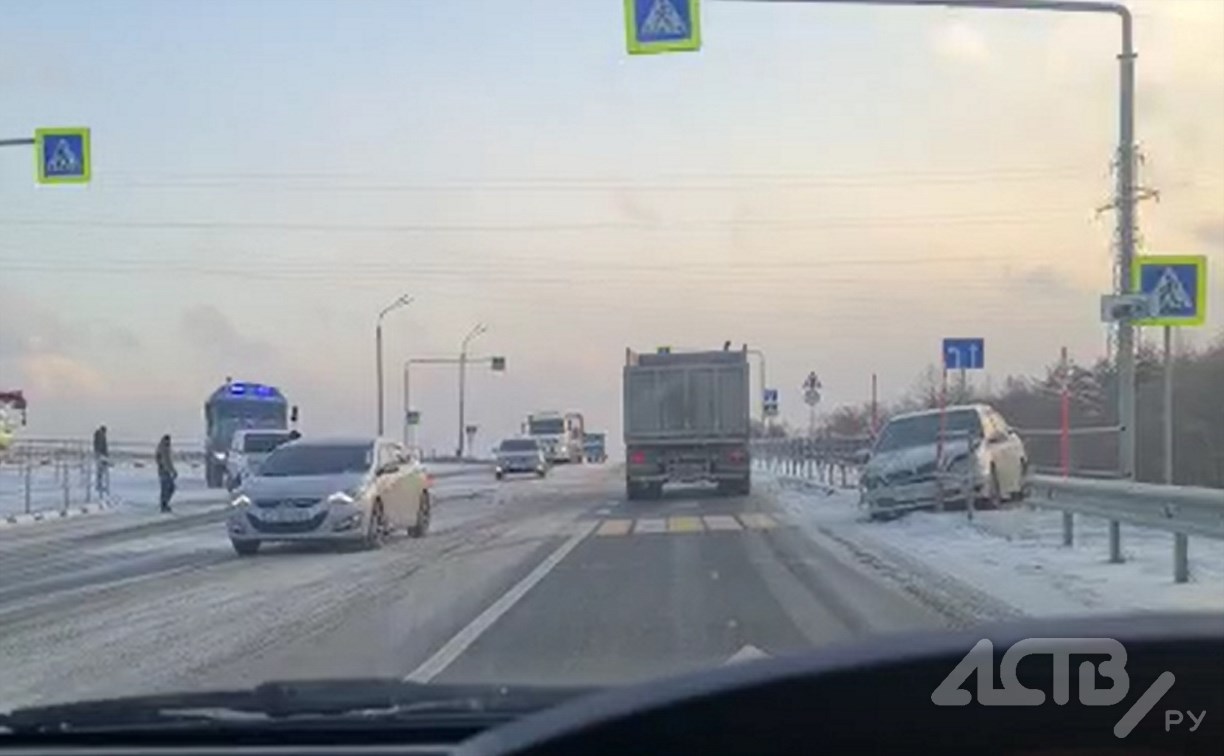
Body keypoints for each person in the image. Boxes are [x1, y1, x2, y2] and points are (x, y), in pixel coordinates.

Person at [155, 434, 177, 513]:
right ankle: (164, 505)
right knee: (168, 488)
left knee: (168, 488)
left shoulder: (162, 448)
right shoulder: (164, 449)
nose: (169, 442)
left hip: (164, 471)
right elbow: (166, 462)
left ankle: (164, 504)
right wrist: (172, 471)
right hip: (164, 472)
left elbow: (165, 461)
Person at [92, 424, 110, 497]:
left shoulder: (98, 436)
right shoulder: (100, 436)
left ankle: (100, 484)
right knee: (100, 471)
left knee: (100, 471)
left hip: (100, 455)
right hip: (101, 455)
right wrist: (101, 454)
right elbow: (101, 446)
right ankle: (99, 485)